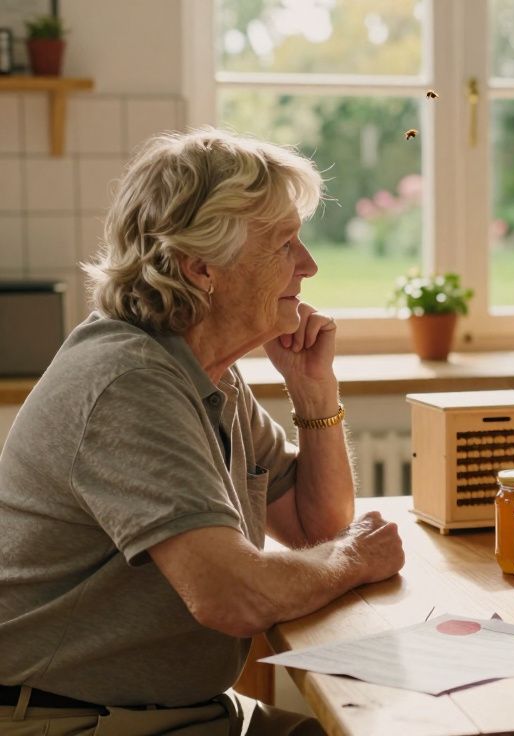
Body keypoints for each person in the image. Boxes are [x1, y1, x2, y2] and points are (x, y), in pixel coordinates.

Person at [0, 128, 405, 735]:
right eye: (286, 245)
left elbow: (313, 523)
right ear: (201, 267)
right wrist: (350, 560)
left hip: (173, 712)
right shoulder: (128, 382)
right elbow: (234, 597)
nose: (309, 266)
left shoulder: (201, 368)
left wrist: (314, 392)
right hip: (73, 722)